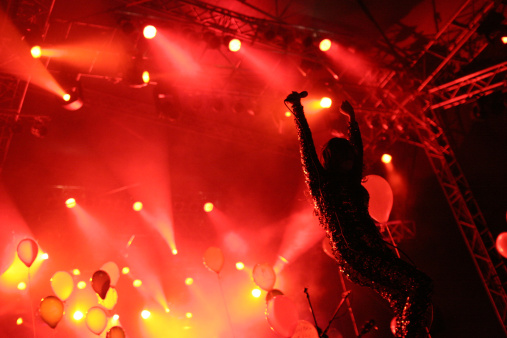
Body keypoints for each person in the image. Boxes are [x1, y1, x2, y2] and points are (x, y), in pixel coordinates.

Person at [284, 92, 433, 338]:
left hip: (373, 247)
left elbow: (359, 149)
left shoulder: (352, 181)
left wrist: (352, 120)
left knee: (403, 297)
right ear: (335, 160)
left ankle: (410, 334)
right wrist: (298, 112)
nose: (351, 163)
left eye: (351, 159)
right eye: (345, 159)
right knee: (420, 285)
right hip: (354, 251)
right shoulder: (322, 185)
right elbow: (307, 150)